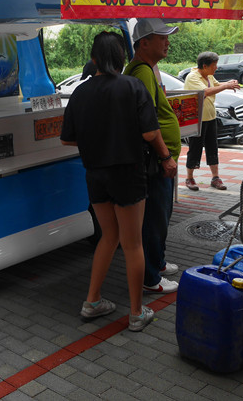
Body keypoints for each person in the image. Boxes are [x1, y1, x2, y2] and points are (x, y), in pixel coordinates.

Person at [61, 31, 167, 332]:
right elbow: (150, 133)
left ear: (94, 58)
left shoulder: (80, 92)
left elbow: (67, 139)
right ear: (121, 57)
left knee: (109, 236)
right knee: (133, 244)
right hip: (128, 173)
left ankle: (92, 301)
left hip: (95, 174)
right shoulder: (132, 86)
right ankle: (136, 313)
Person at [124, 18, 180, 294]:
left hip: (156, 160)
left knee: (160, 215)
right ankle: (150, 277)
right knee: (154, 219)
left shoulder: (144, 70)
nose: (167, 42)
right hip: (155, 161)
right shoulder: (143, 72)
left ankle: (157, 262)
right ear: (144, 43)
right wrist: (165, 156)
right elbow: (148, 122)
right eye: (162, 37)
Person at [183, 51, 240, 191]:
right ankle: (189, 178)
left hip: (210, 117)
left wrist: (229, 83)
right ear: (205, 66)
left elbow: (216, 85)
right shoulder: (192, 77)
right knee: (195, 148)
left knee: (212, 147)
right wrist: (226, 86)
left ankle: (215, 177)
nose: (216, 68)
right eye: (214, 65)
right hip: (197, 119)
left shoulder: (208, 75)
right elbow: (206, 92)